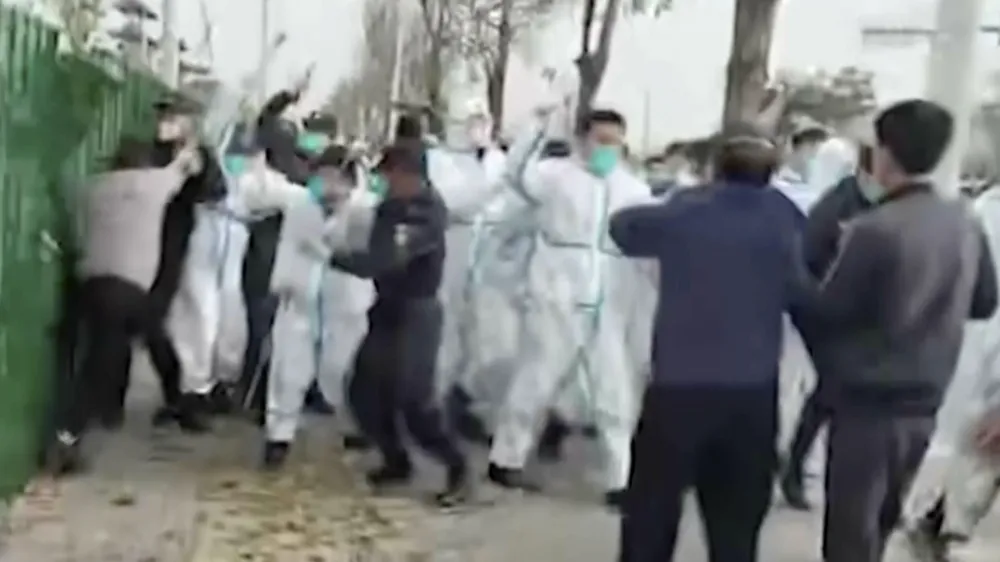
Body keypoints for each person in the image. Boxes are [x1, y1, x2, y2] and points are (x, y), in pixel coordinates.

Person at [810, 100, 997, 562]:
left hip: (868, 401)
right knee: (882, 522)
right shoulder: (965, 222)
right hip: (927, 400)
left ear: (885, 153)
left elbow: (829, 313)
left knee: (850, 533)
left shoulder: (873, 229)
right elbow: (984, 302)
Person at [612, 125, 806, 562]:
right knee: (736, 523)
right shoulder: (785, 217)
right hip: (751, 392)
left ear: (715, 168)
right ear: (771, 173)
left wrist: (689, 196)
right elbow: (805, 293)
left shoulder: (686, 209)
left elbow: (623, 228)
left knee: (651, 511)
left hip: (677, 388)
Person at [486, 109, 653, 507]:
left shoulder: (633, 189)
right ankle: (505, 458)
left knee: (614, 390)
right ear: (582, 140)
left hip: (607, 298)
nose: (608, 149)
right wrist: (535, 129)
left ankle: (621, 480)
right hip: (556, 293)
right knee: (536, 377)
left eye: (615, 142)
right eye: (601, 140)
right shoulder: (554, 176)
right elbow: (514, 175)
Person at [45, 137, 200, 474]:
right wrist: (188, 144)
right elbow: (184, 168)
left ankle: (82, 428)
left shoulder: (95, 188)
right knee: (104, 366)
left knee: (98, 359)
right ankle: (67, 437)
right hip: (128, 292)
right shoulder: (152, 184)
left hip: (89, 285)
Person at [332, 144, 469, 506]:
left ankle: (458, 468)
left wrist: (332, 255)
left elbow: (384, 259)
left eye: (389, 175)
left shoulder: (428, 213)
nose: (383, 182)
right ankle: (396, 461)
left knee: (414, 401)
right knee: (364, 391)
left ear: (409, 175)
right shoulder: (390, 207)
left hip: (417, 315)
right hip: (387, 309)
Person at [904, 181, 1000, 560]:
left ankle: (937, 524)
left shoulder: (982, 210)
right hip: (986, 369)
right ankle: (939, 527)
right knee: (981, 453)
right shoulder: (985, 211)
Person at [778, 139, 876, 510]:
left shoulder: (877, 203)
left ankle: (799, 464)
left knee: (834, 392)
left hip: (860, 315)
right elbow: (808, 260)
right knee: (833, 388)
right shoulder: (837, 205)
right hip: (824, 311)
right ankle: (796, 465)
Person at [262, 145, 361, 468]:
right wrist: (282, 282)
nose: (325, 184)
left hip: (345, 304)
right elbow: (288, 245)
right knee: (289, 371)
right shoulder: (301, 207)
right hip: (300, 299)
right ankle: (279, 436)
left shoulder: (362, 210)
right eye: (320, 176)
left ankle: (353, 427)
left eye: (332, 177)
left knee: (341, 369)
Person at [237, 82, 313, 421]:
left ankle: (253, 395)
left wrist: (286, 97)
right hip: (284, 261)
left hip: (262, 259)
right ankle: (263, 397)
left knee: (261, 329)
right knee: (277, 333)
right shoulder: (297, 178)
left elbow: (264, 119)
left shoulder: (262, 181)